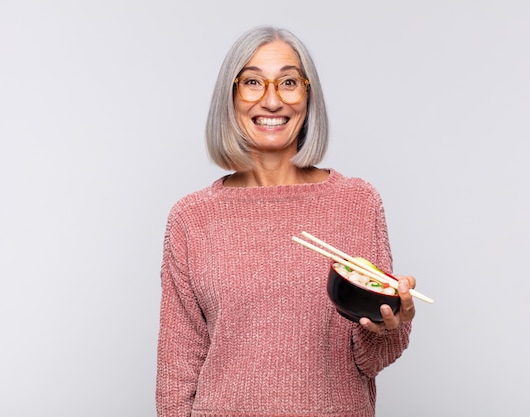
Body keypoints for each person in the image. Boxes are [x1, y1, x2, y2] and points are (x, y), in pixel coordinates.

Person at [156, 25, 416, 417]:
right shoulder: (193, 218)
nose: (272, 100)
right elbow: (176, 374)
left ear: (308, 97)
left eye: (289, 82)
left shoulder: (356, 203)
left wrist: (390, 328)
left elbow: (369, 360)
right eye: (253, 82)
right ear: (231, 96)